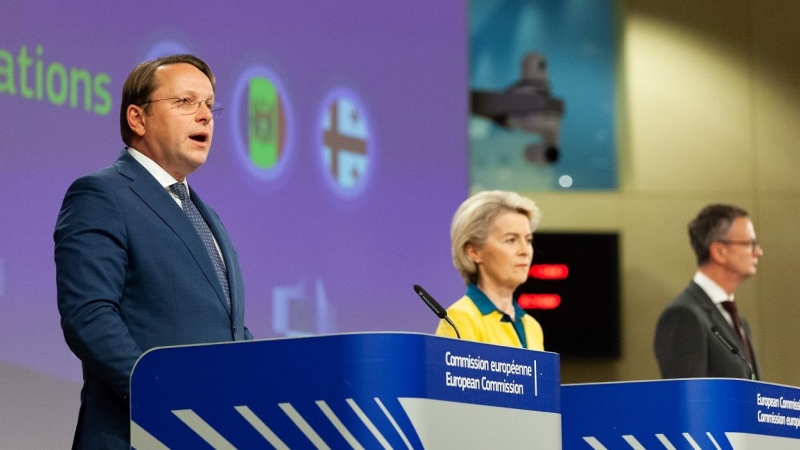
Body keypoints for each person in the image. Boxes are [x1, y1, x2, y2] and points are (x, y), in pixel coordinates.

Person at [54, 54, 252, 449]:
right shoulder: (102, 194)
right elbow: (90, 316)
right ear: (137, 118)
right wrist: (165, 398)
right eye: (185, 102)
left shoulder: (204, 214)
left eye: (210, 105)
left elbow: (229, 331)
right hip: (140, 433)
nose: (205, 116)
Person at [654, 204, 762, 379]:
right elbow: (689, 400)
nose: (758, 252)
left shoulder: (737, 320)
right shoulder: (683, 315)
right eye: (750, 244)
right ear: (719, 252)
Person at [435, 190, 544, 350]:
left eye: (528, 240)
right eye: (511, 240)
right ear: (473, 252)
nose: (525, 250)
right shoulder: (460, 318)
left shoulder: (532, 327)